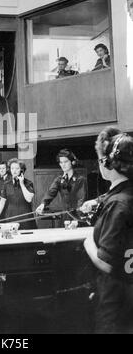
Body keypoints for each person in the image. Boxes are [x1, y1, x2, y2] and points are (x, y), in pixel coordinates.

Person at [82, 127, 133, 333]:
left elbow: (106, 261)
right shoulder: (125, 195)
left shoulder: (118, 205)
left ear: (107, 163)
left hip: (115, 303)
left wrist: (88, 241)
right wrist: (97, 201)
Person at [36, 149, 87, 227]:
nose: (63, 165)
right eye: (61, 162)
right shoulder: (59, 180)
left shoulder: (80, 179)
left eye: (66, 162)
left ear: (72, 162)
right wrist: (43, 204)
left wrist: (76, 219)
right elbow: (50, 192)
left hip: (77, 218)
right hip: (65, 218)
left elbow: (81, 200)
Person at [0, 158, 36, 230]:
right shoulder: (6, 184)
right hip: (11, 219)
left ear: (22, 170)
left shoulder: (28, 183)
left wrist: (22, 184)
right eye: (12, 168)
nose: (14, 171)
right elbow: (1, 203)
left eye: (17, 168)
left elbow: (29, 199)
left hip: (26, 219)